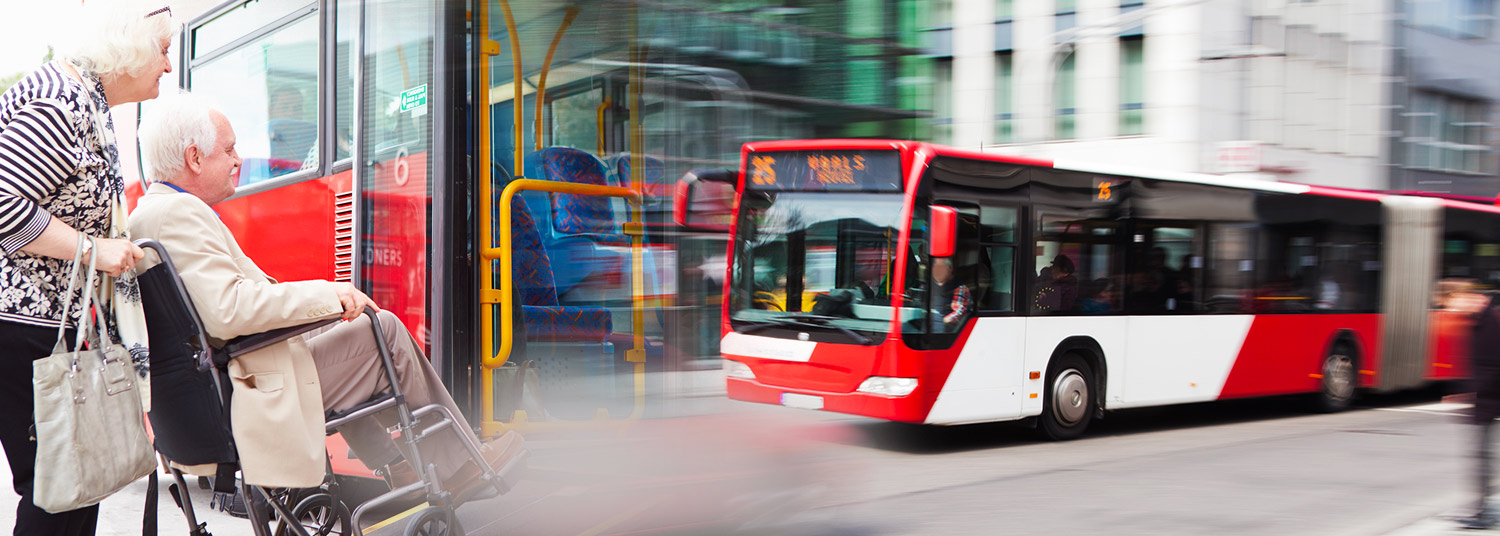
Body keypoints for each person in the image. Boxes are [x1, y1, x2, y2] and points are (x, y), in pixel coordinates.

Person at [131, 92, 524, 497]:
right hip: (245, 396)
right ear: (194, 158)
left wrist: (325, 310)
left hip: (219, 388)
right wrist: (330, 293)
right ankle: (457, 465)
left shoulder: (151, 214)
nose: (238, 160)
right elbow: (229, 311)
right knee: (381, 330)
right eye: (229, 149)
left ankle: (401, 467)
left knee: (343, 334)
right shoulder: (180, 214)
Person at [0, 2, 173, 533]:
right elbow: (4, 208)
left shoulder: (84, 100)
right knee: (59, 494)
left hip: (44, 328)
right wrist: (93, 249)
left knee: (74, 487)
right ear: (129, 50)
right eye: (163, 51)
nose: (169, 66)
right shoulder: (60, 101)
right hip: (25, 329)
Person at [1455, 285, 1500, 529]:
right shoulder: (1480, 322)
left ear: (1481, 299)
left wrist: (1475, 391)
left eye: (1469, 298)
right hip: (1484, 402)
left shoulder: (1488, 325)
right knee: (1481, 457)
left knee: (1482, 458)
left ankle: (1483, 513)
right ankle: (1482, 510)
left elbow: (1492, 366)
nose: (1463, 303)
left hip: (1487, 403)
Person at [930, 258, 971, 332]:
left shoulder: (959, 287)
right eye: (935, 267)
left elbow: (959, 312)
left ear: (950, 268)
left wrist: (941, 322)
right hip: (927, 322)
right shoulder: (929, 285)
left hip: (944, 328)